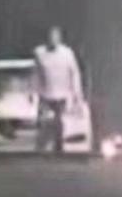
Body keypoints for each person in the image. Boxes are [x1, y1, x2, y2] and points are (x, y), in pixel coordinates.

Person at [34, 26, 85, 155]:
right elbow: (36, 74)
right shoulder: (39, 53)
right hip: (46, 94)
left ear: (59, 38)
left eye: (55, 36)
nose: (53, 39)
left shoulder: (67, 53)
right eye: (51, 36)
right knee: (44, 123)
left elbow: (74, 73)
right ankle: (41, 149)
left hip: (63, 95)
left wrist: (77, 94)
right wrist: (35, 92)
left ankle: (59, 148)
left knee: (60, 122)